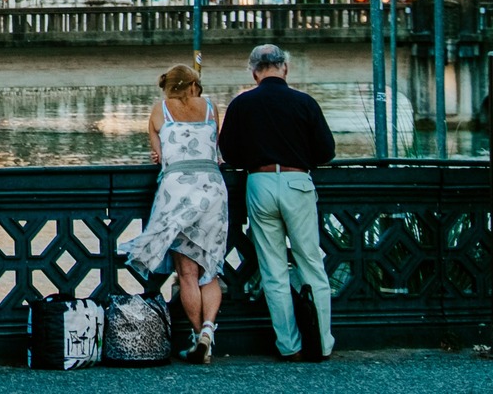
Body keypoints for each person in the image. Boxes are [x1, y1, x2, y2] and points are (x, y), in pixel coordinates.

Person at [218, 44, 337, 362]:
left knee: (273, 270)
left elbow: (228, 152)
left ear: (255, 72)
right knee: (311, 264)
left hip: (259, 182)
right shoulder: (304, 102)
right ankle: (322, 344)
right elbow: (326, 151)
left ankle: (290, 346)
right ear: (285, 68)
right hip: (298, 181)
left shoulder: (242, 104)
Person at [118, 64, 228, 364]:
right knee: (210, 268)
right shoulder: (210, 109)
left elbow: (160, 157)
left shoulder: (159, 112)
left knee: (187, 273)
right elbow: (214, 148)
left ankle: (196, 338)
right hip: (213, 190)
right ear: (193, 85)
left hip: (177, 190)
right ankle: (208, 330)